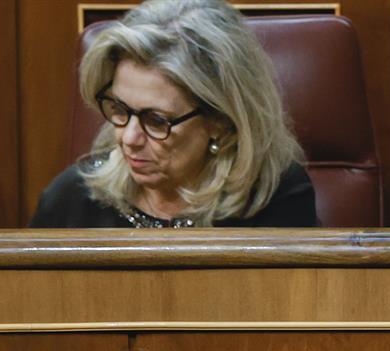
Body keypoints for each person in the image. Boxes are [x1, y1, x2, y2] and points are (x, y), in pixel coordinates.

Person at [30, 0, 316, 228]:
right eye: (120, 109)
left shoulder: (274, 197)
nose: (129, 138)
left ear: (221, 121)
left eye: (156, 120)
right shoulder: (71, 199)